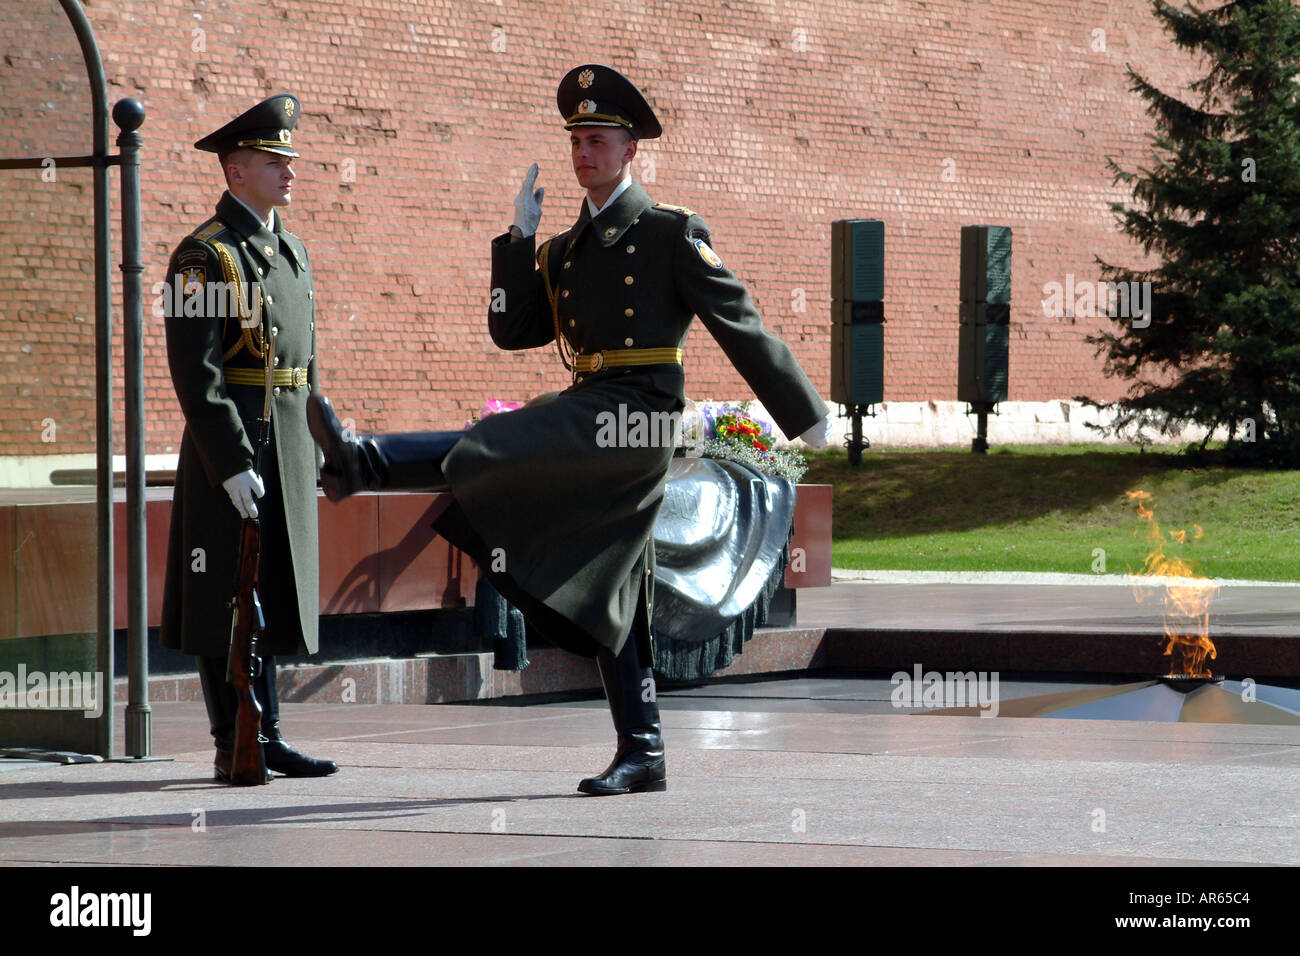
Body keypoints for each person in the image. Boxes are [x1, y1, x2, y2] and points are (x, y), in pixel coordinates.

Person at [307, 64, 831, 795]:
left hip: (637, 419)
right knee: (615, 590)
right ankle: (643, 751)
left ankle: (367, 462)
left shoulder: (669, 233)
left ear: (630, 152)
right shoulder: (563, 250)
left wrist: (803, 413)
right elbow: (511, 330)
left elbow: (738, 321)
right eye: (576, 140)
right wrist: (516, 241)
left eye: (597, 140)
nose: (584, 153)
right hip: (590, 414)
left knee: (516, 440)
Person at [161, 93, 337, 781]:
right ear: (235, 172)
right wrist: (230, 462)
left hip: (286, 447)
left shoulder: (289, 250)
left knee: (269, 592)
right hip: (231, 453)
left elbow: (307, 362)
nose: (289, 171)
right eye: (274, 161)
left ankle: (267, 734)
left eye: (289, 159)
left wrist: (321, 443)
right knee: (226, 600)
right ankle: (231, 738)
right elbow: (194, 373)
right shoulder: (203, 257)